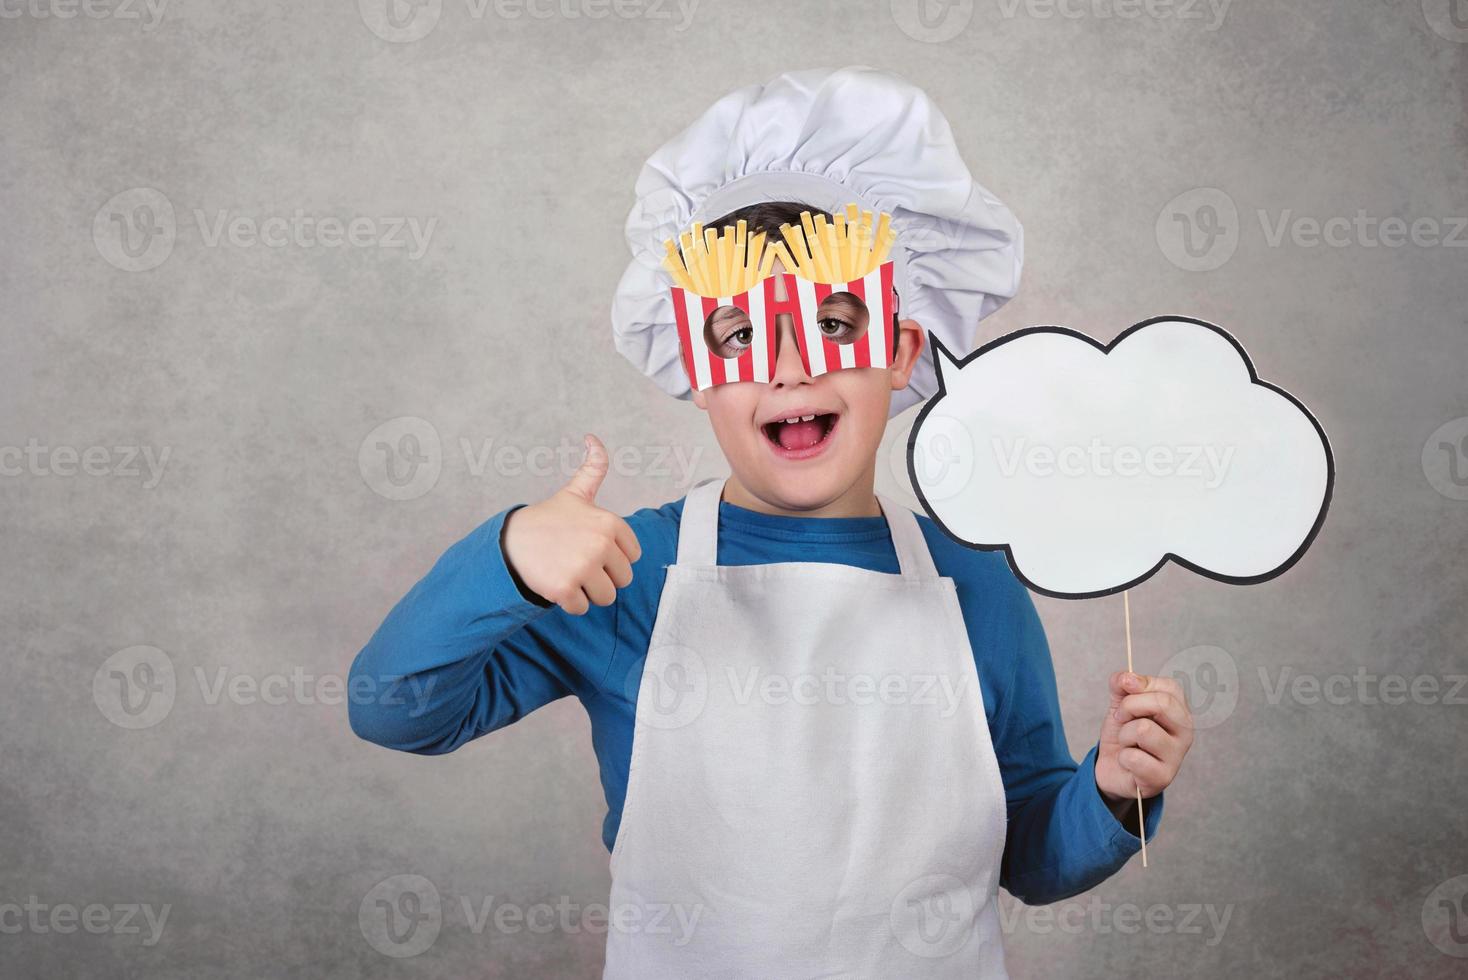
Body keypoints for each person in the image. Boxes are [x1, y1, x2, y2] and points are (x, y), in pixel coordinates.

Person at [349, 66, 1195, 978]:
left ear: (903, 347)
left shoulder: (977, 581)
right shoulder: (631, 568)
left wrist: (1111, 790)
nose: (789, 368)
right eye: (742, 335)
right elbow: (396, 712)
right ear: (696, 366)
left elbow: (1025, 850)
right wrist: (507, 556)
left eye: (834, 322)